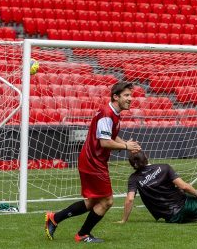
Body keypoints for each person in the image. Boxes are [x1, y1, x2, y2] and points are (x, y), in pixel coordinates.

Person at [45, 81, 141, 243]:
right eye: (126, 95)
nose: (130, 99)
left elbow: (109, 136)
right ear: (115, 97)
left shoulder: (113, 114)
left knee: (92, 202)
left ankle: (54, 218)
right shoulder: (106, 114)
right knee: (107, 201)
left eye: (131, 95)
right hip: (93, 162)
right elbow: (104, 142)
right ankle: (82, 233)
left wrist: (125, 144)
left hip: (93, 160)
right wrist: (125, 145)